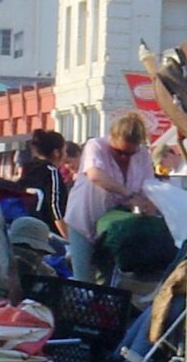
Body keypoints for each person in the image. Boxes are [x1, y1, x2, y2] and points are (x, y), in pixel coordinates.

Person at [62, 111, 158, 283]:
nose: (123, 157)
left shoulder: (142, 155)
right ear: (111, 137)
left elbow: (148, 187)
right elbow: (95, 175)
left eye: (129, 154)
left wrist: (148, 206)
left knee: (111, 282)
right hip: (84, 221)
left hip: (114, 230)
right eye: (119, 152)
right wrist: (128, 194)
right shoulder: (96, 146)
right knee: (84, 280)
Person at [10, 129, 68, 238]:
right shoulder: (51, 172)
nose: (65, 156)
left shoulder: (27, 169)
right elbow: (55, 207)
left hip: (25, 228)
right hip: (47, 233)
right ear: (56, 153)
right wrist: (67, 237)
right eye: (64, 151)